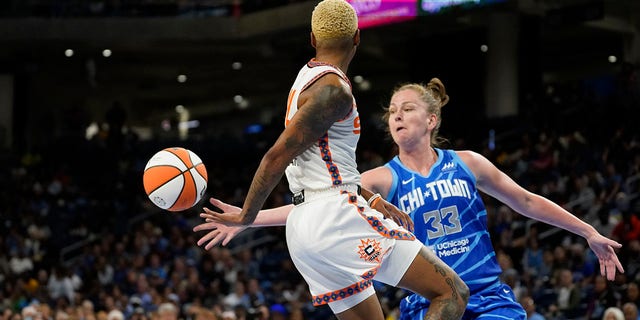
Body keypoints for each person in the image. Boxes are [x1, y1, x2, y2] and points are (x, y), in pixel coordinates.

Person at [196, 77, 625, 319]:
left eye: (407, 108)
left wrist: (589, 232)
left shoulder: (468, 163)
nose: (397, 116)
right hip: (427, 304)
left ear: (432, 118)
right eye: (392, 112)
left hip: (486, 297)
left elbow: (527, 202)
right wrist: (247, 218)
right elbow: (315, 206)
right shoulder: (382, 177)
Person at [193, 1, 469, 320]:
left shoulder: (305, 78)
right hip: (334, 217)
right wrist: (246, 216)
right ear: (357, 38)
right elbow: (276, 156)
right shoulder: (333, 90)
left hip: (305, 228)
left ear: (312, 39)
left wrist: (371, 198)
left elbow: (326, 168)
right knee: (451, 292)